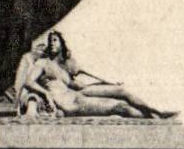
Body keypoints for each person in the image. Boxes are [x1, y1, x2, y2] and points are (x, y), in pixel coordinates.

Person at [17, 31, 172, 119]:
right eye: (50, 41)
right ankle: (154, 118)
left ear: (62, 44)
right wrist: (47, 95)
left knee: (121, 95)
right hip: (69, 103)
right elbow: (29, 82)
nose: (51, 43)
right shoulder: (42, 63)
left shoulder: (61, 68)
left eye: (55, 40)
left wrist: (108, 82)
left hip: (75, 96)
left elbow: (79, 80)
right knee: (120, 107)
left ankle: (156, 112)